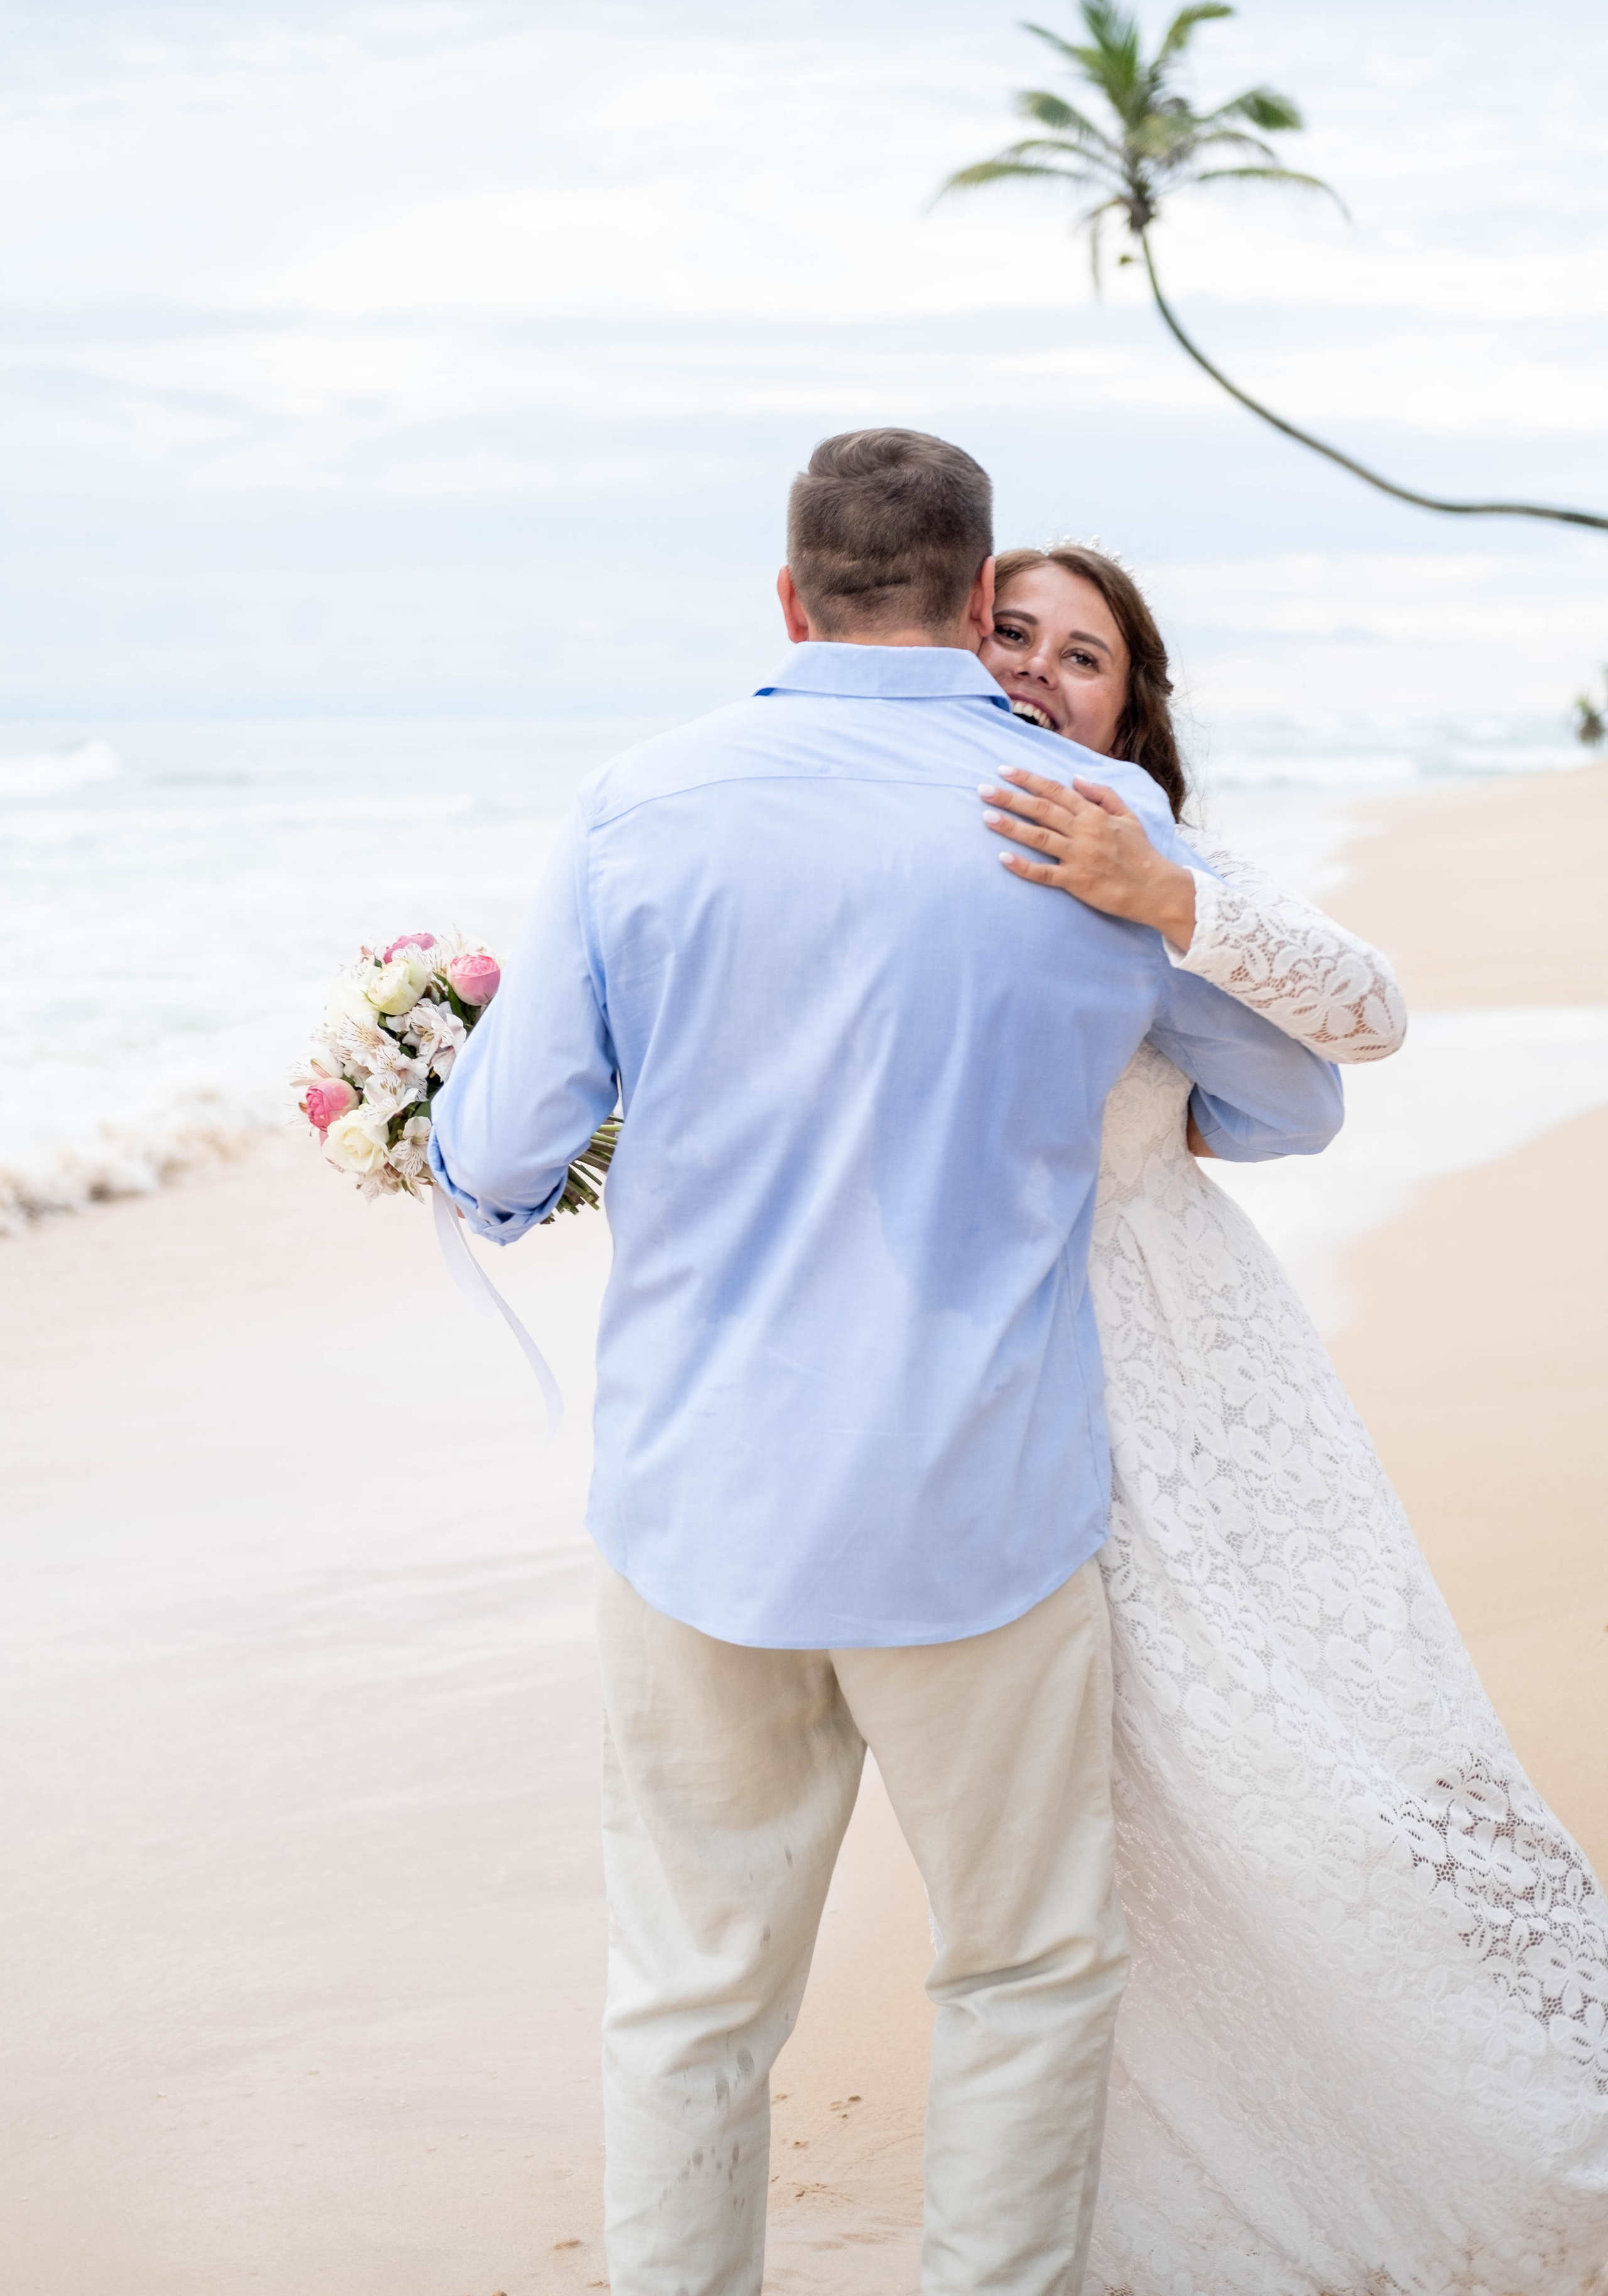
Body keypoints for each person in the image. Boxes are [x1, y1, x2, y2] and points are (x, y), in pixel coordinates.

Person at [428, 430, 1342, 2295]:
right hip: (979, 1507)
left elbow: (508, 1152)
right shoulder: (1088, 827)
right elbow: (1290, 1098)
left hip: (702, 1505)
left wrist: (449, 1150)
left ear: (792, 597)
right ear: (971, 594)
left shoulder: (641, 805)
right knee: (1019, 1967)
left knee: (690, 1989)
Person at [975, 543, 1608, 2292]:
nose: (1038, 671)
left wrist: (1162, 892)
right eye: (1007, 633)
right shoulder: (907, 850)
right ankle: (1152, 2178)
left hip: (1189, 1349)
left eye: (1083, 655)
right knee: (1116, 1774)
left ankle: (1457, 2115)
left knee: (1315, 1734)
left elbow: (1370, 1019)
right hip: (997, 1368)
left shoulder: (1148, 852)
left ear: (1132, 703)